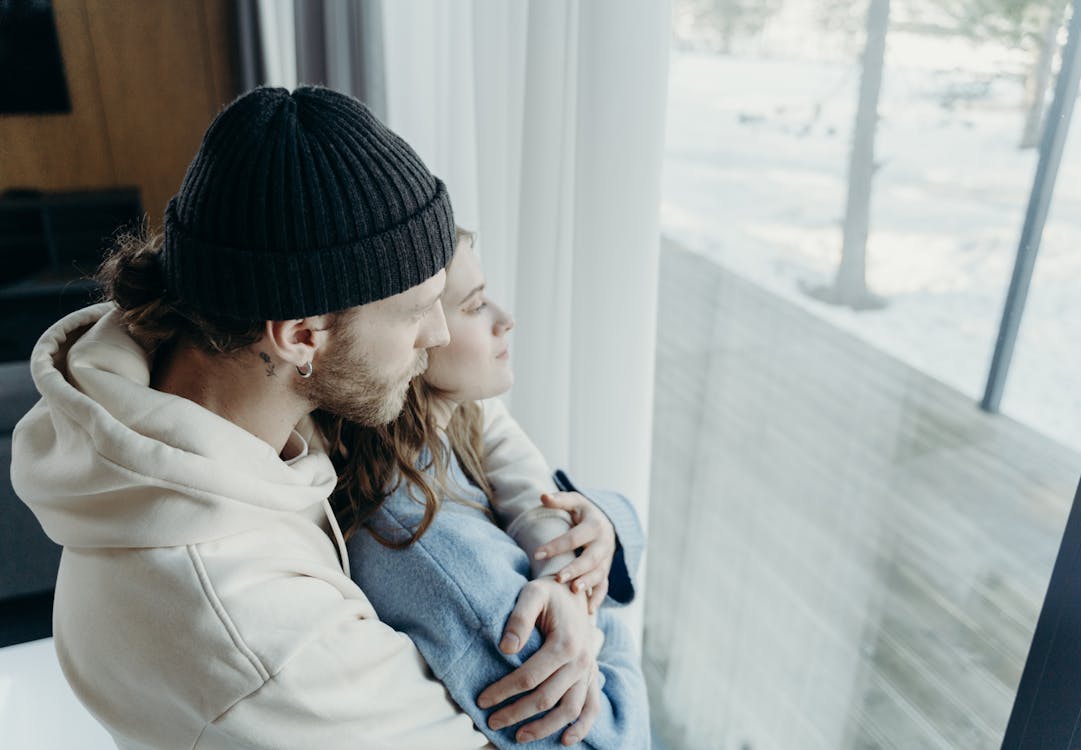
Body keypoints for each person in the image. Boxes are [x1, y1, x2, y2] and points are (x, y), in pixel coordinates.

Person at [11, 86, 613, 749]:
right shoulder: (261, 636)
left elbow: (475, 413)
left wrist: (559, 553)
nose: (437, 336)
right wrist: (594, 627)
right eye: (416, 309)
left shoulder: (192, 376)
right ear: (300, 335)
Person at [317, 229, 650, 748]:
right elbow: (614, 737)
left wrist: (598, 530)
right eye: (474, 306)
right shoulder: (426, 539)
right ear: (417, 336)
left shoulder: (453, 432)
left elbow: (560, 495)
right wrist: (600, 620)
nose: (505, 317)